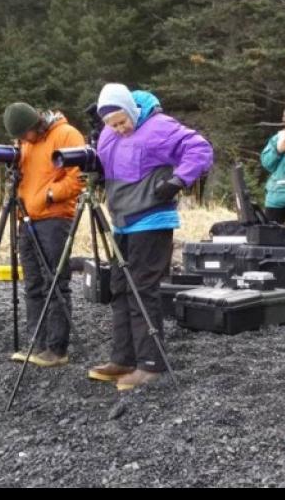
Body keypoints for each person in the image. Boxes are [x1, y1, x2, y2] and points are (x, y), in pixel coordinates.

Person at [88, 84, 214, 391]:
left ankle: (150, 364)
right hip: (122, 221)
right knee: (119, 288)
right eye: (112, 124)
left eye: (122, 121)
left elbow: (200, 149)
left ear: (131, 110)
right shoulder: (107, 134)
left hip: (152, 218)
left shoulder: (159, 127)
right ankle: (123, 357)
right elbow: (103, 163)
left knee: (142, 289)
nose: (119, 129)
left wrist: (178, 180)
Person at [2, 102, 85, 367]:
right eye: (20, 136)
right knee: (33, 284)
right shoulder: (25, 144)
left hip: (55, 219)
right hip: (26, 219)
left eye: (25, 133)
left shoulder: (66, 134)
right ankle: (36, 345)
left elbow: (78, 176)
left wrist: (50, 194)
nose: (24, 139)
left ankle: (56, 349)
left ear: (36, 123)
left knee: (55, 283)